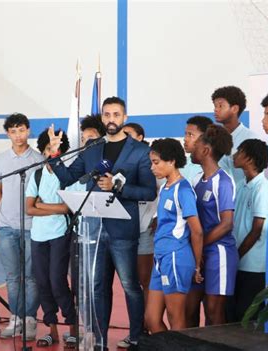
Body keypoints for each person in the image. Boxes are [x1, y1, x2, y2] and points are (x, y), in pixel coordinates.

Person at [48, 97, 157, 350]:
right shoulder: (92, 149)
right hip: (93, 229)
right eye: (107, 114)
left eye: (116, 115)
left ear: (124, 117)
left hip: (122, 231)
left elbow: (149, 192)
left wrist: (118, 186)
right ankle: (99, 341)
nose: (111, 119)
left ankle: (137, 338)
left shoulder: (140, 151)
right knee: (97, 287)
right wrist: (55, 154)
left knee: (130, 286)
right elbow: (66, 177)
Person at [0, 113, 43, 339]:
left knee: (31, 276)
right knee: (12, 276)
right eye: (13, 131)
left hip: (33, 226)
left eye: (21, 130)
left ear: (28, 130)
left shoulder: (39, 158)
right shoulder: (0, 159)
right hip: (6, 227)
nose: (18, 135)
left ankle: (30, 318)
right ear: (7, 134)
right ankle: (15, 317)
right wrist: (5, 205)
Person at [144, 138, 203, 333]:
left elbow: (197, 230)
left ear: (172, 161)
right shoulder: (164, 188)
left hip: (176, 257)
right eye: (151, 162)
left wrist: (197, 264)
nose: (152, 168)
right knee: (151, 319)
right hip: (160, 258)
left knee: (175, 318)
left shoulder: (183, 190)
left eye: (156, 162)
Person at [26, 129, 77, 348]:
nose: (50, 153)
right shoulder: (36, 174)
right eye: (48, 149)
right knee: (43, 283)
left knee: (57, 281)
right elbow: (29, 208)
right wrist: (51, 207)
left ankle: (73, 327)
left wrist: (41, 204)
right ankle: (51, 330)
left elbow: (67, 207)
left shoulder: (66, 176)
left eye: (54, 150)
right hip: (38, 236)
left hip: (59, 234)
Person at [187, 125, 238, 327]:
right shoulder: (197, 180)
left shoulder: (223, 181)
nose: (192, 148)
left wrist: (199, 247)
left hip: (219, 254)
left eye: (196, 144)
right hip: (199, 254)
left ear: (206, 150)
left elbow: (226, 224)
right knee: (189, 309)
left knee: (213, 312)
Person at [118, 123, 158, 348]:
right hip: (124, 230)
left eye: (129, 135)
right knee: (129, 282)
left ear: (140, 137)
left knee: (144, 281)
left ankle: (148, 327)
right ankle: (136, 329)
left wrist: (158, 216)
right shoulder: (122, 163)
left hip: (144, 230)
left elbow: (160, 190)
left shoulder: (152, 160)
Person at [231, 139, 268, 321]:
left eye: (240, 151)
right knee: (235, 315)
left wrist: (235, 255)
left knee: (247, 317)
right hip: (241, 262)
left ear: (249, 159)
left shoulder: (263, 188)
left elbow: (257, 229)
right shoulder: (242, 185)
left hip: (253, 266)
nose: (235, 154)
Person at [212, 86, 258, 186]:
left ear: (235, 109)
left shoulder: (250, 139)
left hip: (239, 197)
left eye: (220, 106)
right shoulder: (212, 137)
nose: (216, 110)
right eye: (215, 106)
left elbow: (255, 177)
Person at [180, 116, 213, 184]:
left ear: (205, 137)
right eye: (185, 134)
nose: (185, 139)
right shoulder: (181, 165)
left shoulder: (218, 167)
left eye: (190, 135)